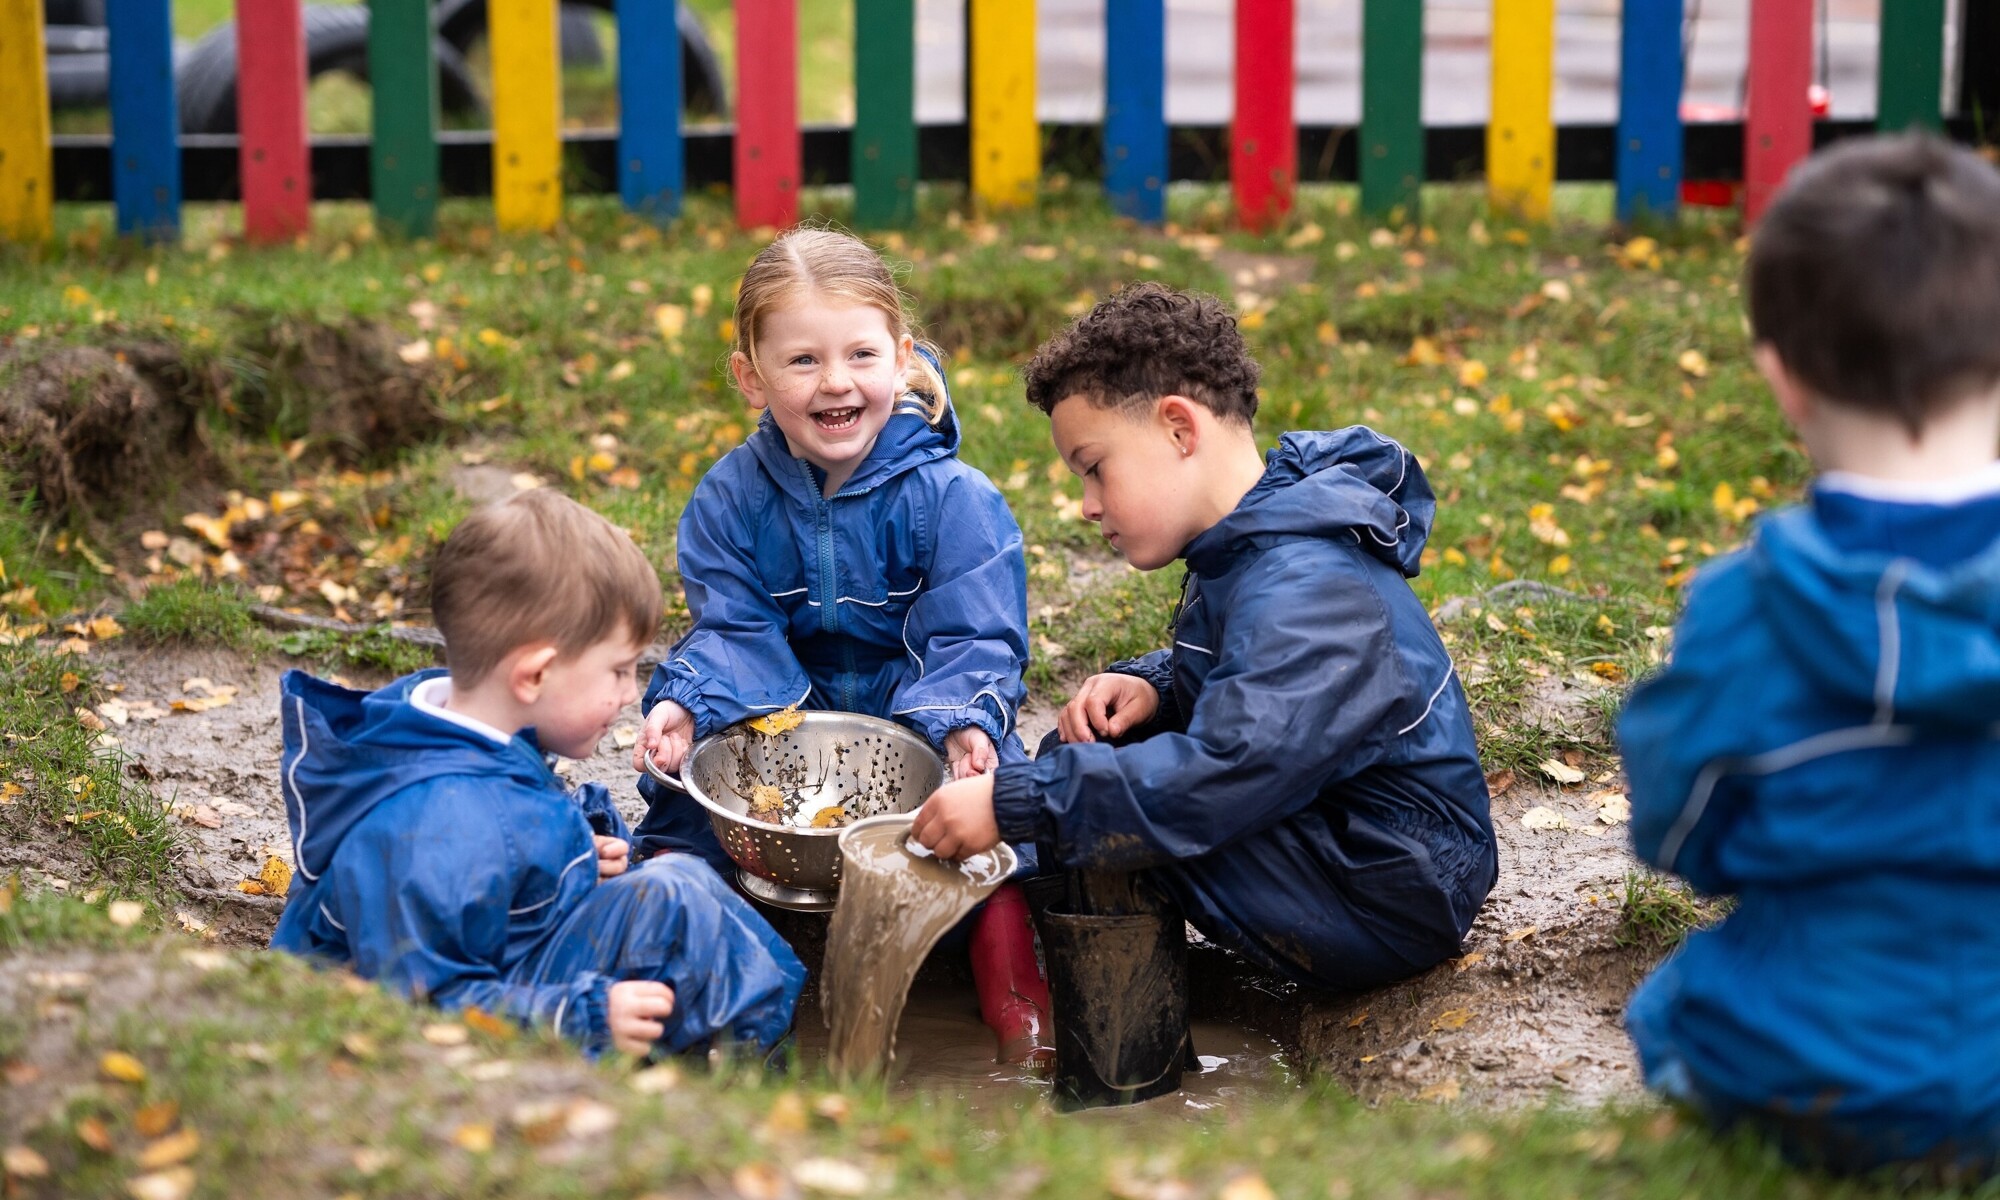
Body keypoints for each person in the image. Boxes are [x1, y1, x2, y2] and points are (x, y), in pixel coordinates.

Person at [911, 282, 1497, 993]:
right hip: (1340, 840)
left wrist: (1012, 805)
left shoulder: (1309, 585)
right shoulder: (1256, 542)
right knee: (1090, 753)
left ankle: (1117, 1060)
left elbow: (1224, 772)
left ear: (1180, 430)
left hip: (1388, 890)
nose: (1089, 506)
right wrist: (1157, 688)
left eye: (1094, 468)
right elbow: (1261, 683)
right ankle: (1075, 982)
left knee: (1094, 806)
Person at [1619, 133, 2000, 1176]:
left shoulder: (1744, 611)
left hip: (1814, 1073)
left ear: (1781, 379)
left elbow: (1679, 829)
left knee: (1667, 1011)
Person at [628, 228, 1050, 1063]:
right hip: (784, 727)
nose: (836, 383)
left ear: (901, 359)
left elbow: (975, 636)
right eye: (802, 361)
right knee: (682, 818)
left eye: (860, 354)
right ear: (751, 375)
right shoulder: (729, 502)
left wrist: (966, 725)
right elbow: (733, 631)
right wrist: (685, 702)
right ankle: (689, 987)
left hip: (923, 721)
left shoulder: (955, 500)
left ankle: (1017, 1002)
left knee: (1003, 823)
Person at [269, 488, 806, 1060]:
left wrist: (570, 850)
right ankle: (745, 1084)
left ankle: (762, 1051)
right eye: (619, 671)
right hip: (415, 1037)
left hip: (506, 959)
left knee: (677, 884)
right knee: (677, 898)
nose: (630, 694)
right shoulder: (431, 827)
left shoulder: (469, 719)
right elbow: (416, 1005)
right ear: (534, 676)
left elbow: (503, 840)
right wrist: (583, 1018)